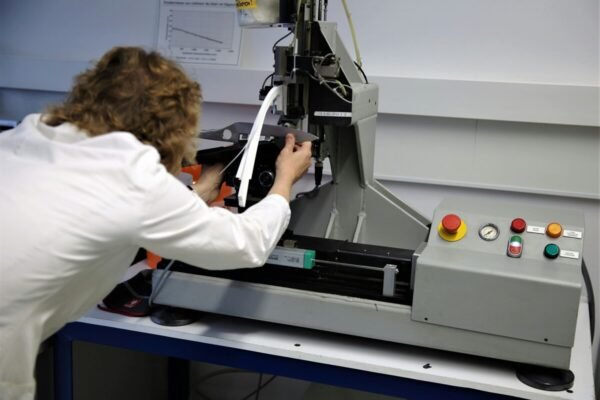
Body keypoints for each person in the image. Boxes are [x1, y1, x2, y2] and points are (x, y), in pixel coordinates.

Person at [0, 46, 312, 399]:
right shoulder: (131, 175)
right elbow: (245, 244)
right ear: (171, 126)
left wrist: (201, 192)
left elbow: (102, 212)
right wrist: (284, 181)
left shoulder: (24, 137)